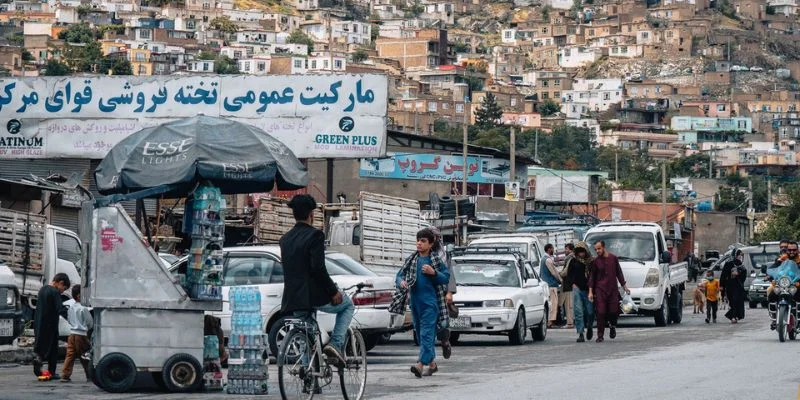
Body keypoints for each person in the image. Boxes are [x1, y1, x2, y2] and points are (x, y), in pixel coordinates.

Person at [280, 194, 354, 362]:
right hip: (314, 295)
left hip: (294, 297)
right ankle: (335, 344)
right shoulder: (315, 235)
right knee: (348, 305)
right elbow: (318, 268)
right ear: (311, 214)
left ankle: (309, 379)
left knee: (307, 335)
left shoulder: (285, 239)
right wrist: (333, 291)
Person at [393, 228, 450, 378]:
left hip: (430, 304)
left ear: (430, 244)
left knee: (426, 334)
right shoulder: (412, 260)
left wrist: (434, 273)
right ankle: (432, 364)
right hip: (415, 304)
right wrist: (402, 282)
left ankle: (420, 364)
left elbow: (445, 277)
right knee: (420, 335)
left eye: (423, 241)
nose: (419, 243)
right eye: (418, 240)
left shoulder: (435, 260)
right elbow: (399, 276)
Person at [588, 241, 630, 343]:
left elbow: (619, 273)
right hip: (600, 290)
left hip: (612, 289)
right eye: (596, 249)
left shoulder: (613, 258)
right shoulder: (596, 262)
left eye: (599, 249)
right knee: (600, 312)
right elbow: (592, 277)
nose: (597, 251)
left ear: (604, 247)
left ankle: (612, 326)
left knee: (613, 311)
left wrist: (625, 287)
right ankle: (600, 335)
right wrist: (590, 292)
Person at [33, 273, 71, 380]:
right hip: (50, 324)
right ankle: (52, 372)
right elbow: (60, 308)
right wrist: (72, 319)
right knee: (53, 348)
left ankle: (38, 360)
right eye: (64, 288)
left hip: (39, 323)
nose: (62, 291)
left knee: (41, 345)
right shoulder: (54, 292)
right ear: (60, 283)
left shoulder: (42, 289)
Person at [431, 227, 456, 360]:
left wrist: (450, 292)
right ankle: (427, 358)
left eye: (434, 237)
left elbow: (449, 274)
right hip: (427, 292)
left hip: (441, 292)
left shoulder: (444, 255)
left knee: (443, 323)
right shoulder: (422, 253)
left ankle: (445, 342)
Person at [61, 284, 92, 382]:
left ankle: (65, 375)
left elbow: (69, 320)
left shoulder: (71, 307)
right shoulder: (84, 308)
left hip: (72, 334)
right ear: (79, 296)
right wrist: (89, 328)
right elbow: (89, 322)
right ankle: (90, 375)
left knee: (70, 355)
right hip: (81, 334)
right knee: (85, 355)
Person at [568, 242, 595, 342]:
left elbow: (595, 275)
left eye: (582, 251)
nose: (581, 254)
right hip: (577, 288)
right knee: (578, 311)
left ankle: (590, 327)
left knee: (590, 312)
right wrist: (573, 283)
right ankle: (580, 333)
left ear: (586, 251)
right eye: (579, 252)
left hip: (589, 289)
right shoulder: (573, 261)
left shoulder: (591, 262)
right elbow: (569, 274)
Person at [720, 249, 747, 323]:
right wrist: (721, 285)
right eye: (739, 255)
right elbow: (723, 275)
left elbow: (744, 275)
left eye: (741, 255)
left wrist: (739, 274)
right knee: (732, 301)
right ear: (735, 255)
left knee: (736, 301)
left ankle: (734, 317)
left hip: (738, 286)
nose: (740, 257)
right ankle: (733, 316)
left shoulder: (741, 264)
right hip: (730, 285)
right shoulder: (728, 264)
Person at [540, 244, 562, 328]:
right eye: (552, 248)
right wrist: (560, 280)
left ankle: (548, 321)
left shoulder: (542, 259)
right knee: (553, 304)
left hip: (545, 285)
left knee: (549, 304)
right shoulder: (548, 260)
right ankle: (550, 322)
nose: (553, 250)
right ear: (549, 249)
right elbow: (554, 272)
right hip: (551, 285)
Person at [559, 243, 575, 329]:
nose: (565, 251)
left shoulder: (570, 258)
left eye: (566, 249)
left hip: (569, 283)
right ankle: (570, 322)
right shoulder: (571, 258)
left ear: (570, 250)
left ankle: (569, 323)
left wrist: (559, 274)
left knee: (569, 305)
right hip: (569, 283)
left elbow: (565, 271)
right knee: (568, 304)